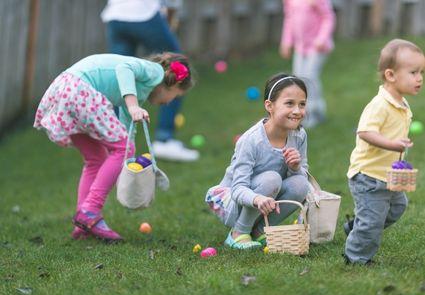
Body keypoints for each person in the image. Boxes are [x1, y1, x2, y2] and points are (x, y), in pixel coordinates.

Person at [34, 52, 194, 242]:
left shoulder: (138, 91)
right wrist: (133, 106)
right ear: (173, 83)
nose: (169, 103)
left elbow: (127, 134)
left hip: (66, 90)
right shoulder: (154, 71)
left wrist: (125, 165)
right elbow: (123, 68)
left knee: (97, 158)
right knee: (118, 149)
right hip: (81, 90)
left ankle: (83, 223)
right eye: (175, 97)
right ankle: (91, 210)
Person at [205, 74, 310, 250]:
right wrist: (257, 198)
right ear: (269, 106)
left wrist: (295, 167)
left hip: (267, 199)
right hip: (234, 202)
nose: (297, 111)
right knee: (271, 178)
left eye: (302, 104)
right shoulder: (251, 140)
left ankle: (260, 231)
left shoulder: (299, 135)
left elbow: (302, 177)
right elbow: (238, 189)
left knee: (301, 183)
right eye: (289, 103)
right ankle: (238, 233)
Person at [344, 39, 424, 265]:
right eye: (413, 72)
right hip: (368, 175)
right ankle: (356, 258)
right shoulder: (380, 104)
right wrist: (393, 144)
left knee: (398, 207)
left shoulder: (402, 102)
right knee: (372, 222)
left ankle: (356, 226)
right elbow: (365, 132)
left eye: (421, 72)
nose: (419, 78)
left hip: (388, 173)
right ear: (390, 75)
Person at [101, 0, 199, 162]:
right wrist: (168, 22)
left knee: (119, 77)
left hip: (115, 16)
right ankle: (164, 138)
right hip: (144, 14)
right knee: (178, 68)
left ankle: (114, 142)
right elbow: (172, 4)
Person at [280, 0, 335, 128]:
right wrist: (287, 42)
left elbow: (328, 17)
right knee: (298, 80)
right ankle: (303, 111)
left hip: (317, 46)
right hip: (300, 47)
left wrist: (322, 38)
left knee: (310, 77)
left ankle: (315, 111)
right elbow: (289, 19)